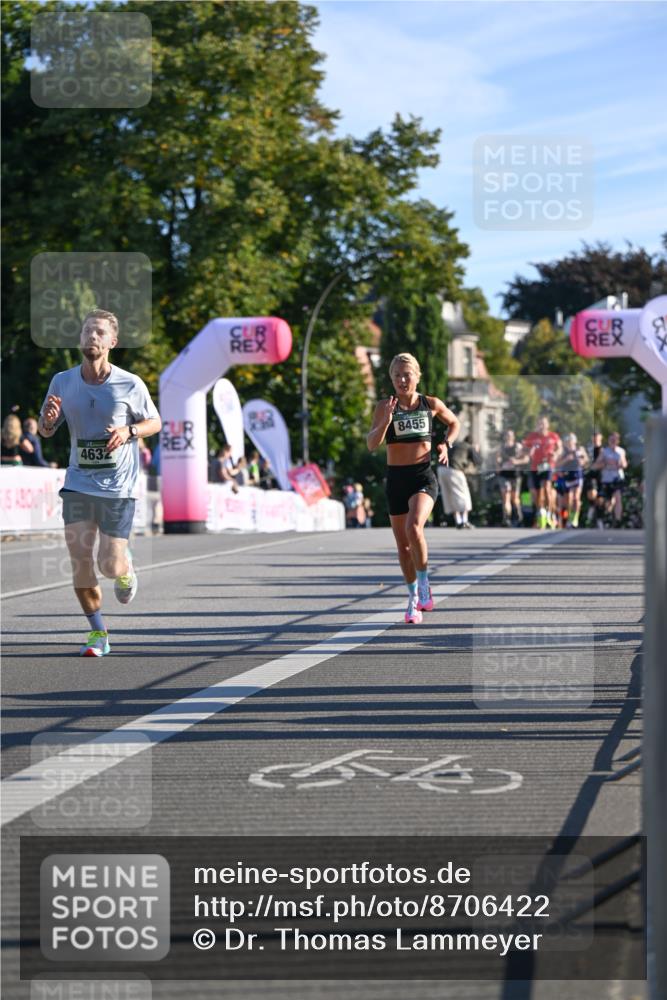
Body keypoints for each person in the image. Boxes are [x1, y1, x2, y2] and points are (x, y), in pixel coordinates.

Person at [38, 309, 161, 657]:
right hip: (78, 483)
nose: (92, 336)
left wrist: (129, 431)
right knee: (79, 560)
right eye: (87, 331)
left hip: (117, 489)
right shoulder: (62, 380)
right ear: (80, 340)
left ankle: (125, 567)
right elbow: (47, 429)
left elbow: (155, 422)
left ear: (112, 342)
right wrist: (46, 423)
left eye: (99, 332)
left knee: (109, 566)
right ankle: (98, 633)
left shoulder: (130, 383)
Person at [367, 352, 460, 624]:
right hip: (396, 479)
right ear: (391, 379)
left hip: (422, 476)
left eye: (407, 374)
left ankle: (423, 583)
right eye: (397, 375)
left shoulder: (429, 403)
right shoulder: (385, 406)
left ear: (417, 376)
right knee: (403, 547)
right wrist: (384, 421)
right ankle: (412, 600)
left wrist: (445, 443)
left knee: (414, 528)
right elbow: (372, 444)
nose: (402, 380)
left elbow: (453, 422)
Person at [523, 416, 562, 529]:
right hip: (535, 467)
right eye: (540, 423)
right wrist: (529, 451)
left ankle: (550, 513)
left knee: (546, 488)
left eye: (544, 423)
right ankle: (541, 513)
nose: (542, 425)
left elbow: (560, 448)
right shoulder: (532, 437)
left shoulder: (553, 436)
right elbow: (524, 449)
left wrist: (556, 454)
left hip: (548, 465)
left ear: (547, 425)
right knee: (536, 493)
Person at [439, 436, 480, 530]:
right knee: (464, 495)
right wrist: (476, 450)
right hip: (454, 470)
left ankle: (458, 521)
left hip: (441, 469)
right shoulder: (469, 447)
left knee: (449, 495)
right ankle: (464, 521)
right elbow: (478, 460)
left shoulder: (456, 445)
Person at [592, 431, 628, 528]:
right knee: (607, 501)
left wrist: (619, 464)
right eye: (611, 440)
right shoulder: (604, 452)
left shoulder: (620, 451)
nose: (612, 442)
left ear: (617, 441)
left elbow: (624, 464)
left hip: (617, 478)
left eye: (614, 440)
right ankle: (607, 515)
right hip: (607, 479)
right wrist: (604, 464)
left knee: (618, 498)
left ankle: (618, 520)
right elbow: (595, 465)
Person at [554, 433, 588, 528]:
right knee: (568, 499)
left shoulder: (580, 449)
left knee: (576, 498)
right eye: (568, 440)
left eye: (571, 440)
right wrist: (566, 459)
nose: (570, 442)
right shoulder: (563, 452)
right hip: (567, 475)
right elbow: (557, 464)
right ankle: (569, 517)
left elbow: (586, 460)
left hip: (577, 475)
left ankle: (575, 518)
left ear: (575, 441)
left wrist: (582, 461)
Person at [495, 429, 525, 526]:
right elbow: (497, 459)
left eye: (510, 435)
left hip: (515, 475)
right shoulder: (501, 448)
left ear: (513, 437)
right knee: (506, 497)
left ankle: (518, 516)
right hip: (504, 474)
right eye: (507, 435)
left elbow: (525, 459)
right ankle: (506, 518)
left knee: (515, 498)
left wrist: (516, 461)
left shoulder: (518, 447)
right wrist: (498, 466)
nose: (508, 437)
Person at [584, 431, 603, 525]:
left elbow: (603, 463)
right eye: (594, 437)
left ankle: (599, 519)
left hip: (602, 476)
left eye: (597, 437)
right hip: (591, 476)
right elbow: (586, 462)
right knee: (592, 493)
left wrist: (597, 465)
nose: (595, 439)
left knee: (600, 499)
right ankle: (591, 508)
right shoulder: (589, 449)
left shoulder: (603, 450)